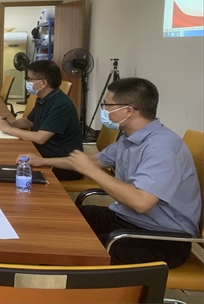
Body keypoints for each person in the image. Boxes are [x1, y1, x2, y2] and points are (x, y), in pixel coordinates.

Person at [18, 77, 201, 268]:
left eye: (108, 105)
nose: (104, 110)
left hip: (159, 238)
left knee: (67, 250)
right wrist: (43, 161)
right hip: (125, 218)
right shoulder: (130, 138)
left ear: (128, 111)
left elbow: (141, 202)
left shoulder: (162, 148)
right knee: (52, 218)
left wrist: (91, 171)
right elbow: (94, 161)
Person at [0, 60, 83, 180]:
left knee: (7, 168)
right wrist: (9, 123)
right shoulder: (44, 98)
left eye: (29, 79)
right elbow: (28, 121)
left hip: (61, 164)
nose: (27, 82)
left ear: (43, 83)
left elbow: (40, 138)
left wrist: (8, 129)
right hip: (44, 153)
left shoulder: (61, 104)